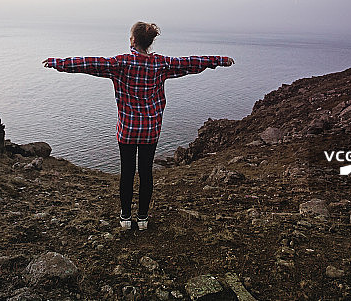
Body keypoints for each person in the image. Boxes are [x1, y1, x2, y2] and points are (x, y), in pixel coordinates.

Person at [42, 21, 234, 231]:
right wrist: (219, 60)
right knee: (146, 173)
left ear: (133, 40)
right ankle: (143, 218)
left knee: (127, 173)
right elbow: (190, 63)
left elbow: (90, 64)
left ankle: (125, 217)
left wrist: (58, 63)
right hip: (150, 130)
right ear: (149, 41)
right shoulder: (161, 63)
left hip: (127, 130)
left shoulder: (121, 63)